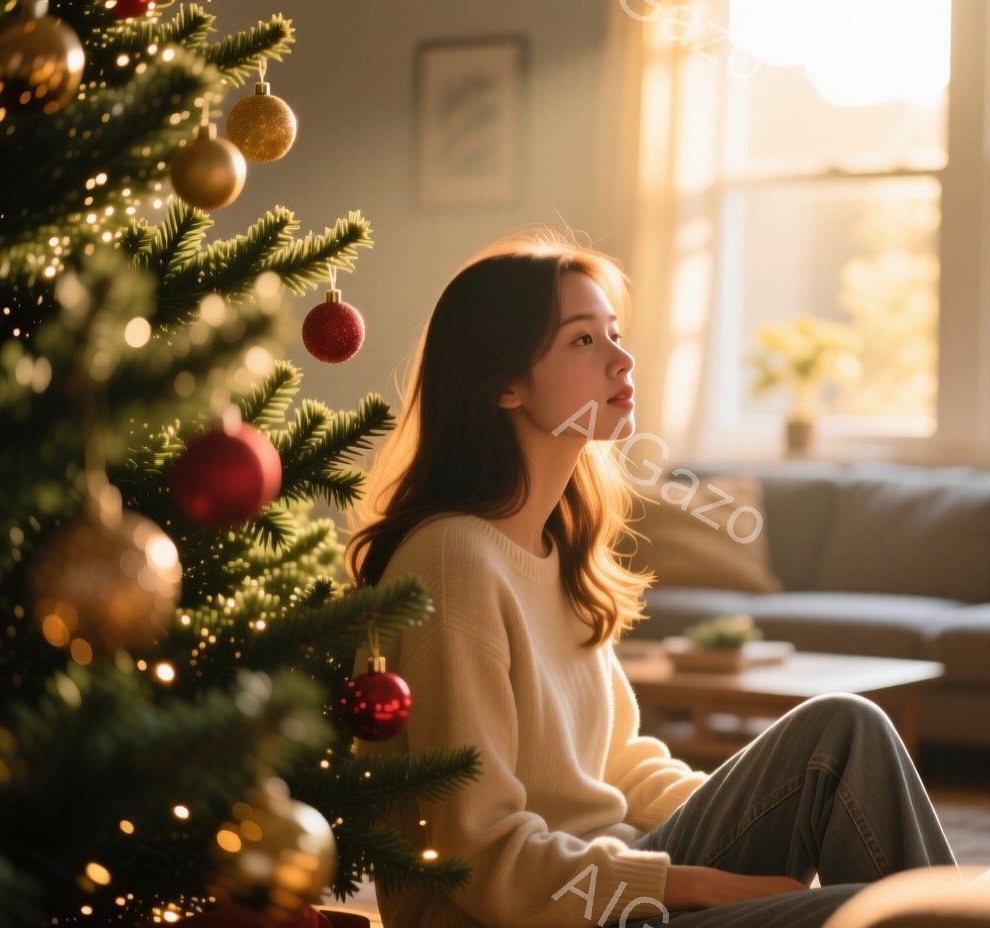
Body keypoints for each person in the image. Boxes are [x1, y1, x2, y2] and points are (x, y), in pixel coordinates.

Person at [345, 233, 957, 928]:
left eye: (614, 333)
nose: (622, 357)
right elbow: (482, 857)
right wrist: (697, 885)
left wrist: (751, 806)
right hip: (529, 917)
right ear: (504, 383)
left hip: (612, 885)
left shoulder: (553, 549)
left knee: (844, 728)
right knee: (876, 914)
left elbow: (622, 765)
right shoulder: (455, 561)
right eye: (583, 341)